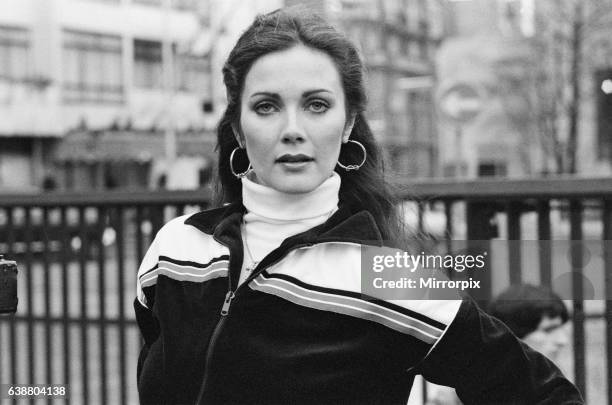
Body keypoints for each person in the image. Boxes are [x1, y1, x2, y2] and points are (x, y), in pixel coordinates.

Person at [134, 8, 583, 405]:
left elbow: (541, 393)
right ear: (237, 123)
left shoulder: (389, 279)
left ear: (348, 121)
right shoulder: (174, 251)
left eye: (316, 105)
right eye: (267, 106)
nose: (293, 129)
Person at [425, 284, 571, 405]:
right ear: (513, 334)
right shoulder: (457, 392)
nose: (562, 341)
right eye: (548, 330)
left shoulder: (554, 384)